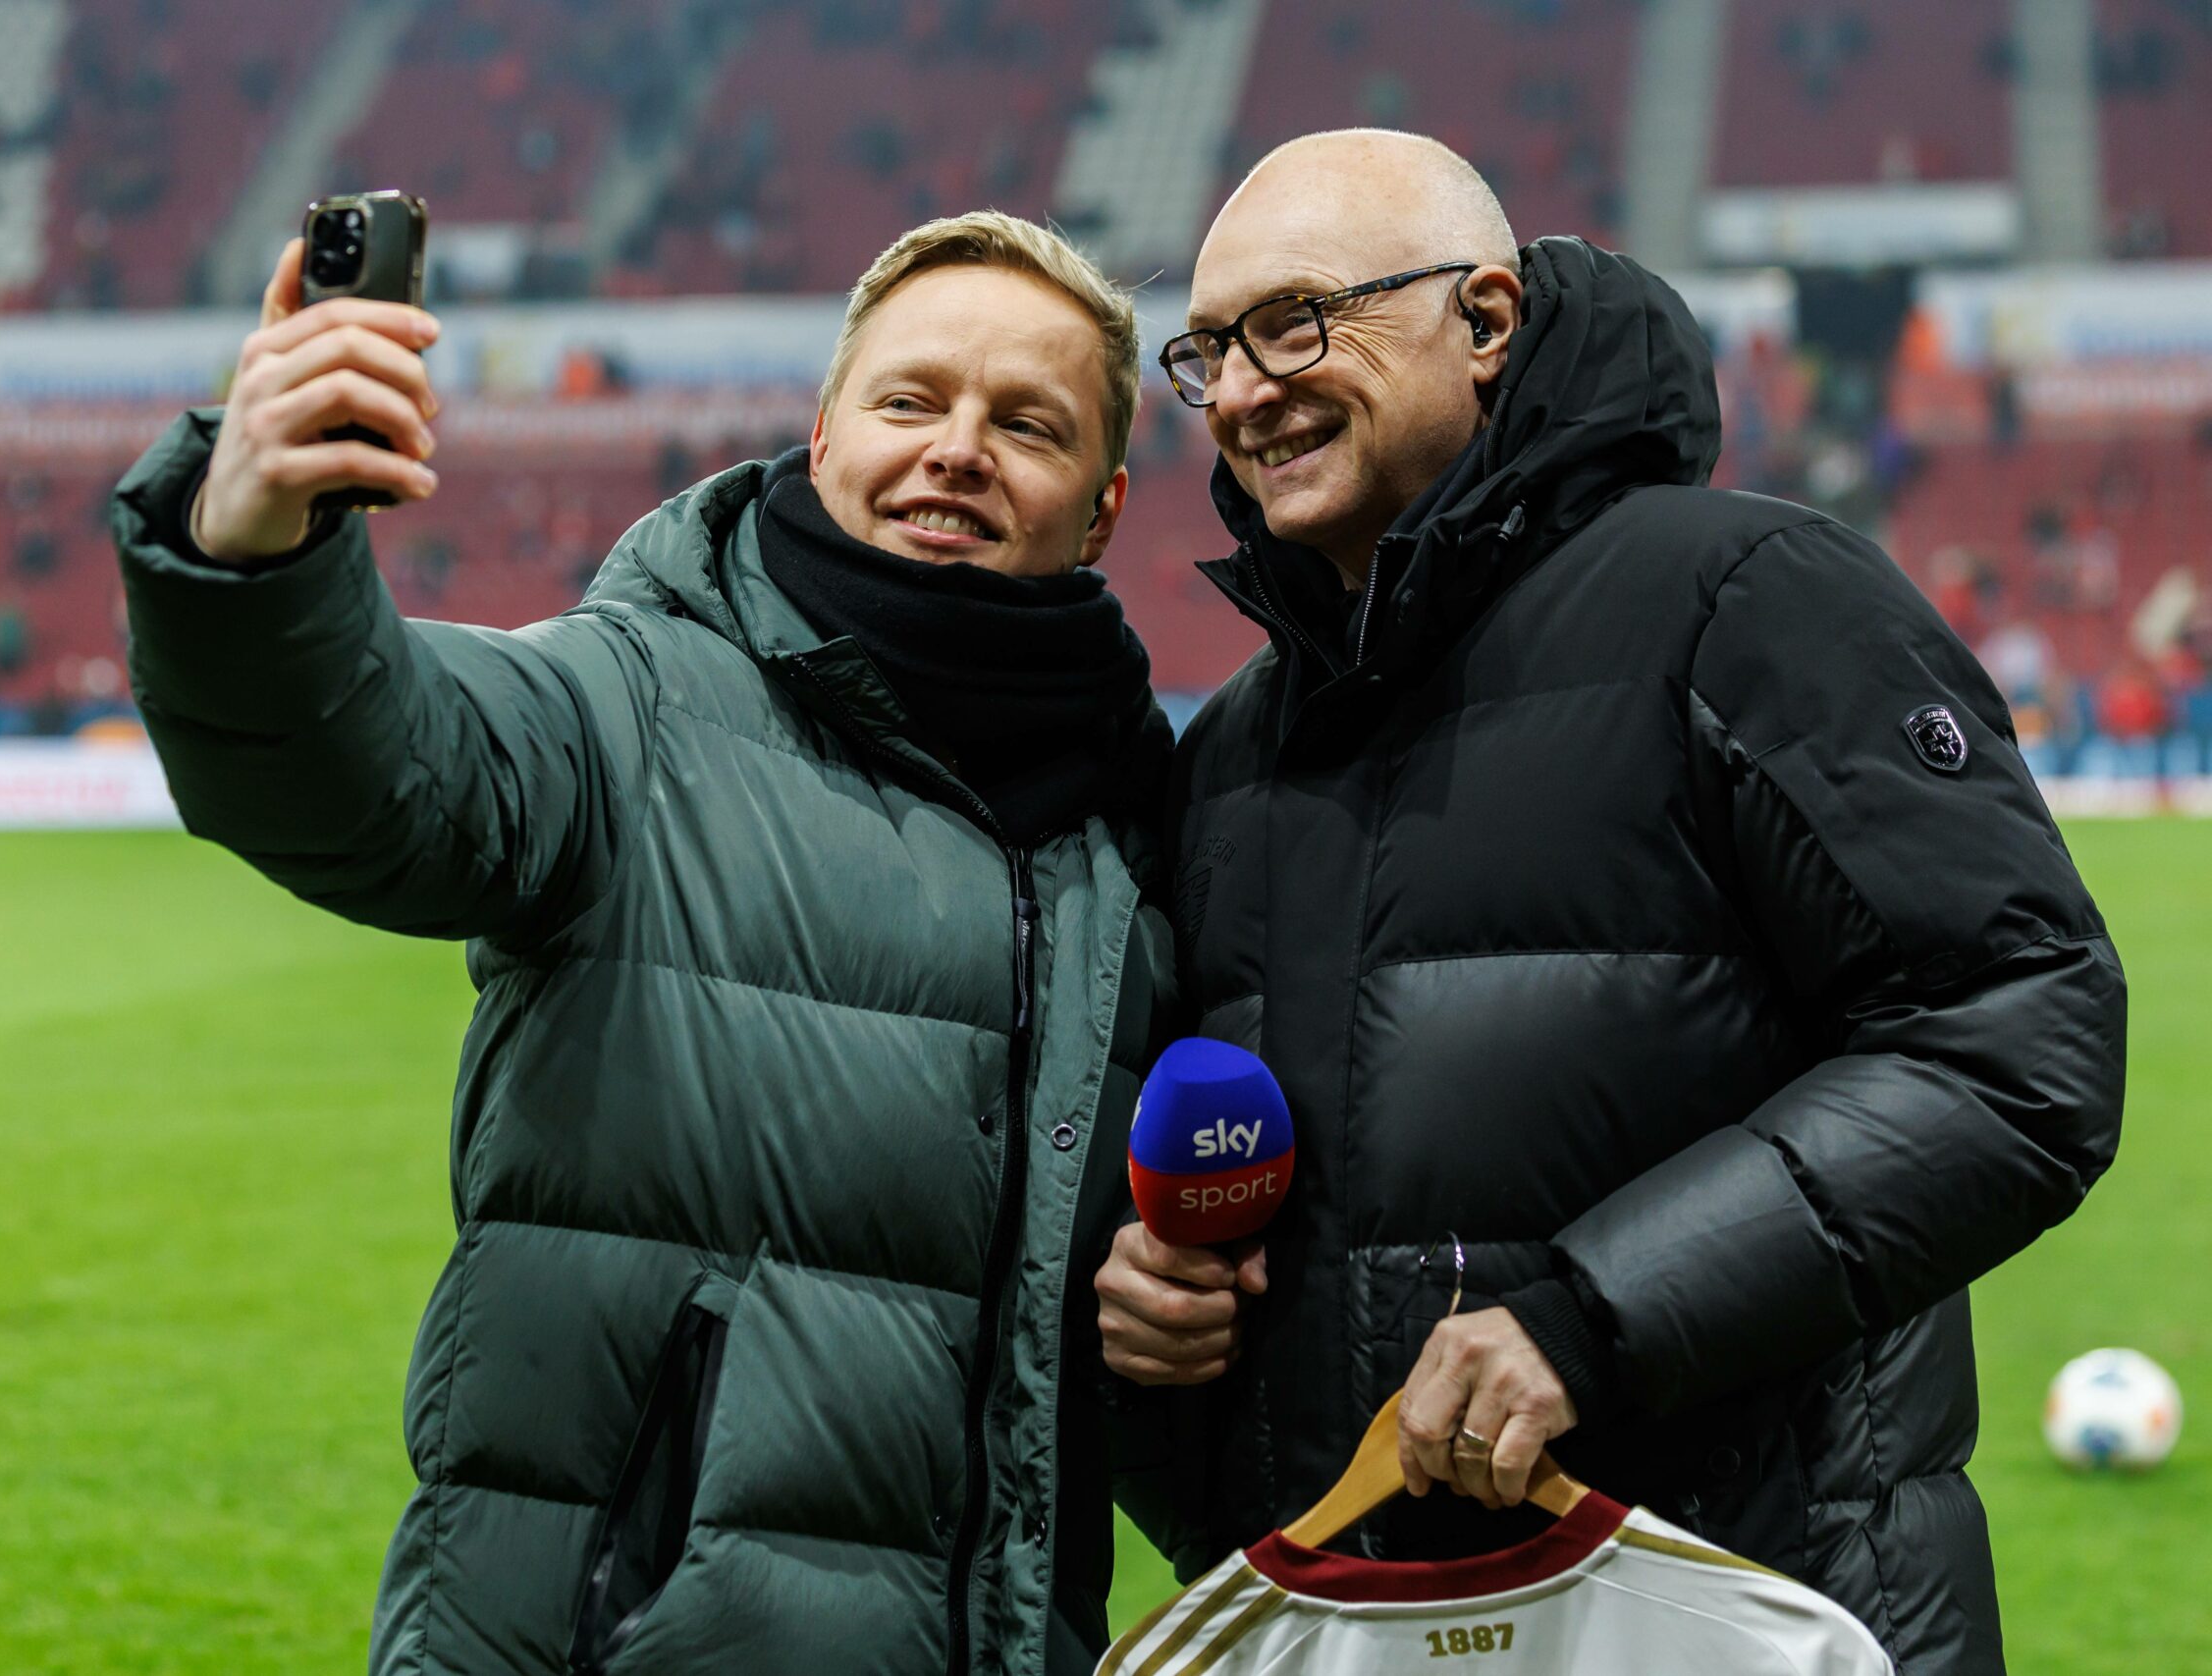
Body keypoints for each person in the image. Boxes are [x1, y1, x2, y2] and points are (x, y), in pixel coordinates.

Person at [1093, 130, 2124, 1676]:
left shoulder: (1750, 599)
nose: (1241, 392)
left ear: (1486, 322)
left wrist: (1593, 1318)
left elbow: (2019, 1039)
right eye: (1209, 350)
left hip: (1752, 1608)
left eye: (1297, 322)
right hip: (1371, 1632)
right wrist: (1158, 1318)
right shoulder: (1235, 747)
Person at [109, 210, 1176, 1675]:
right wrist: (253, 542)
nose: (957, 448)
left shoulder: (1135, 833)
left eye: (1027, 422)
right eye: (912, 400)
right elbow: (364, 767)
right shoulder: (628, 705)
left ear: (1104, 504)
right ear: (823, 435)